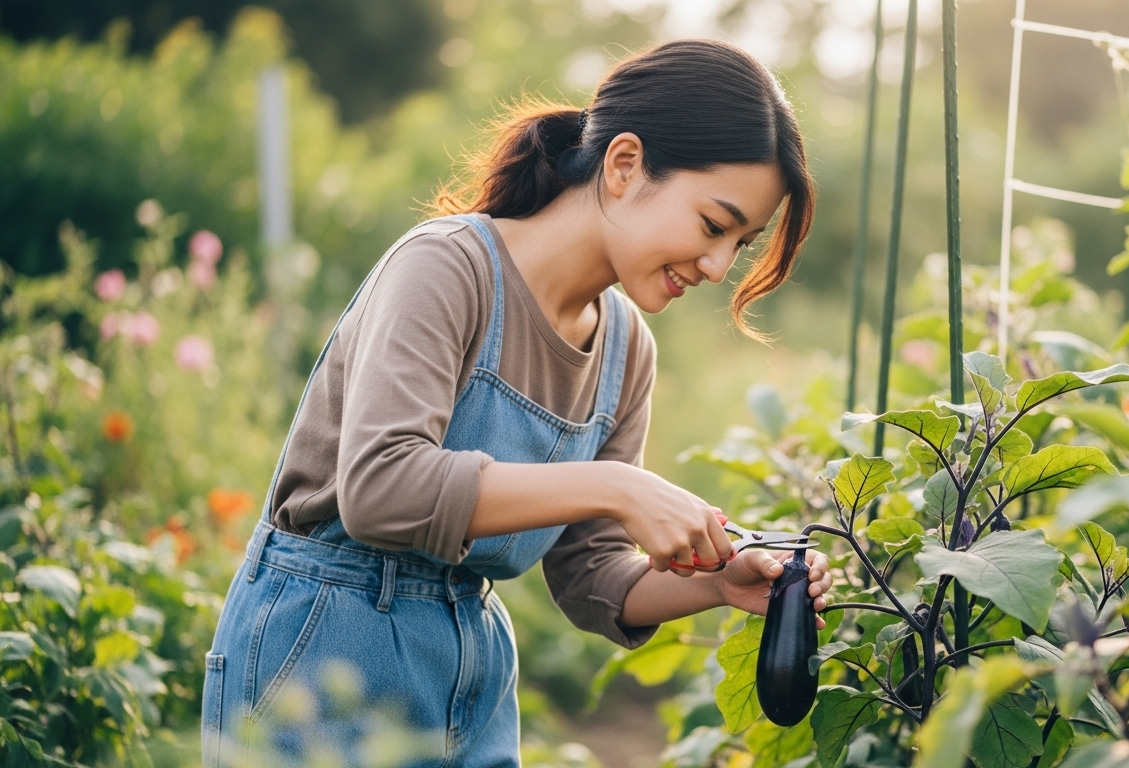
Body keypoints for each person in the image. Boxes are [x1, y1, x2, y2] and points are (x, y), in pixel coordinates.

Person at [201, 38, 832, 767]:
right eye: (714, 226)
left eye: (742, 244)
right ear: (624, 166)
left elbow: (593, 575)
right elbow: (379, 487)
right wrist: (617, 487)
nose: (721, 266)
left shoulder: (626, 352)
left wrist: (720, 582)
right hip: (321, 653)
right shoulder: (447, 269)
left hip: (469, 673)